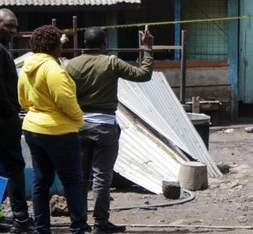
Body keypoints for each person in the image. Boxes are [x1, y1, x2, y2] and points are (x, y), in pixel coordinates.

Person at [64, 26, 155, 233]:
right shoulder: (111, 62)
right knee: (102, 177)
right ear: (104, 44)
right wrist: (147, 49)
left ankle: (78, 222)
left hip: (79, 126)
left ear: (85, 44)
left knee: (80, 178)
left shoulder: (70, 66)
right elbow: (143, 75)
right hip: (105, 127)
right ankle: (100, 222)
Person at [18, 25, 90, 234]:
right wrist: (78, 120)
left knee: (41, 181)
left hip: (33, 129)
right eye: (60, 44)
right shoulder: (54, 70)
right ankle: (78, 227)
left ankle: (41, 228)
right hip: (58, 132)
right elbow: (66, 101)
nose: (62, 49)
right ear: (55, 46)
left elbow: (22, 100)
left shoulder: (26, 68)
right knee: (72, 181)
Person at [0, 8, 31, 233]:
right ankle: (21, 219)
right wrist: (12, 111)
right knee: (14, 167)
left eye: (15, 26)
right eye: (9, 26)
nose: (14, 31)